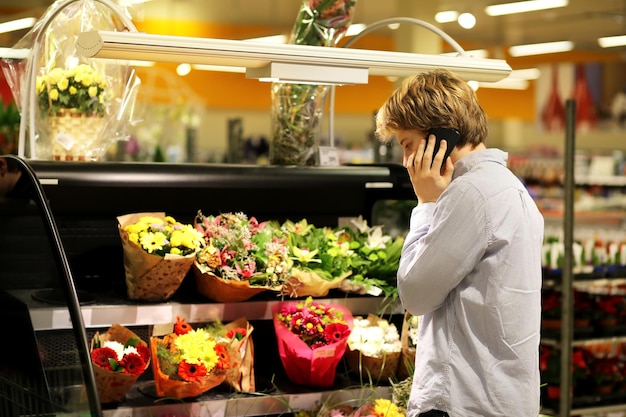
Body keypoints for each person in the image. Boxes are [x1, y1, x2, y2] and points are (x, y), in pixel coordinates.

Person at [375, 69, 544, 417]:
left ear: (440, 136)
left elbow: (415, 294)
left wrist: (426, 204)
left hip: (462, 403)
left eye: (408, 144)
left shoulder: (470, 193)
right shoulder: (510, 188)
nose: (406, 160)